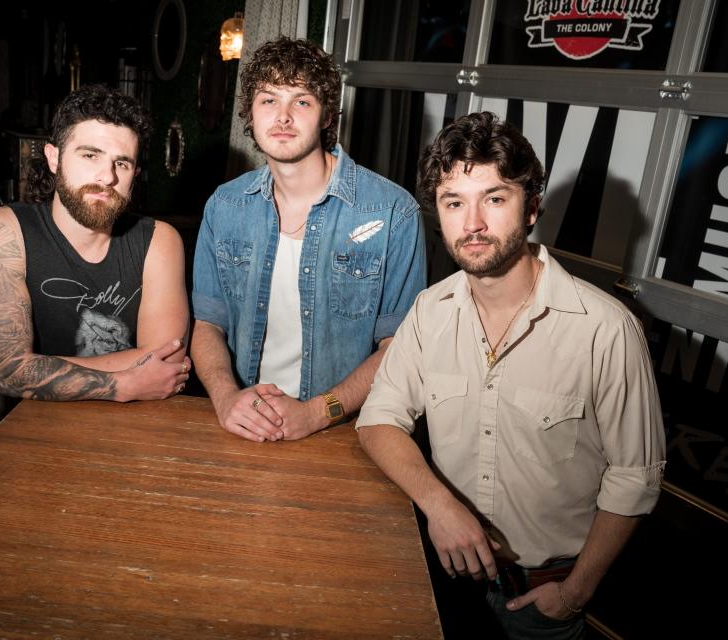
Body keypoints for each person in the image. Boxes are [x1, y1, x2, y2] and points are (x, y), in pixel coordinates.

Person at [355, 112, 666, 639]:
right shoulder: (431, 310)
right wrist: (440, 507)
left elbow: (636, 478)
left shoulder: (606, 330)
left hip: (542, 596)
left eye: (494, 199)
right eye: (454, 202)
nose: (472, 223)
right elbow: (379, 419)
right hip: (442, 575)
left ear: (531, 210)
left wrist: (571, 597)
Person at [191, 37, 426, 442]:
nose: (282, 117)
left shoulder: (392, 212)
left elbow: (401, 348)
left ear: (326, 116)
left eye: (301, 101)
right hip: (245, 423)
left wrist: (318, 413)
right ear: (249, 111)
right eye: (268, 100)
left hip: (344, 430)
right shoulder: (225, 206)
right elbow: (208, 324)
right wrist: (227, 398)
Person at [0, 85, 191, 402]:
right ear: (54, 158)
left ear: (134, 174)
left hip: (140, 426)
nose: (106, 176)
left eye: (121, 163)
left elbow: (168, 362)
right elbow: (7, 368)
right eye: (90, 155)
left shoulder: (158, 240)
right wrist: (124, 385)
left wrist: (39, 368)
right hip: (36, 428)